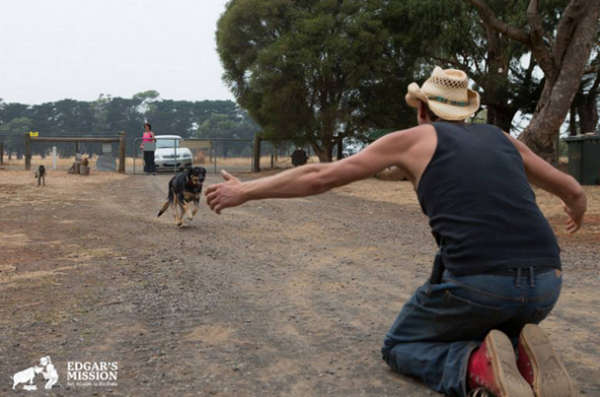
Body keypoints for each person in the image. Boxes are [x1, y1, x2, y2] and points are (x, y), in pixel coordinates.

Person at [205, 67, 586, 397]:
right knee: (460, 276)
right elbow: (572, 189)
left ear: (422, 109)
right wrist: (577, 212)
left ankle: (477, 367)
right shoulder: (503, 139)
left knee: (402, 344)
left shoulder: (414, 139)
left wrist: (245, 191)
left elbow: (319, 177)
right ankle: (521, 351)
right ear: (466, 113)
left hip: (481, 288)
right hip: (546, 287)